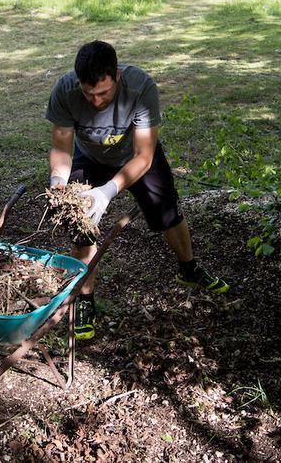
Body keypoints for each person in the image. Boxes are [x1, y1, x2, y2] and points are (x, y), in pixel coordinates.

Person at [45, 40, 228, 341]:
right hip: (88, 157)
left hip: (136, 156)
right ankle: (85, 298)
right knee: (81, 226)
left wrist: (107, 192)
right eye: (88, 94)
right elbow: (61, 148)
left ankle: (189, 268)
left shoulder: (140, 87)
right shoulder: (64, 91)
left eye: (103, 93)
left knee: (168, 213)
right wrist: (58, 185)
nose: (95, 101)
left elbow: (144, 155)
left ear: (116, 75)